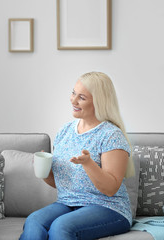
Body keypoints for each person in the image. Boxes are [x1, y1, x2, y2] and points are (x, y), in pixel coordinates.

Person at [20, 72, 135, 240]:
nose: (73, 100)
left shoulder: (111, 135)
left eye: (81, 97)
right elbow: (62, 184)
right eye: (73, 93)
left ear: (98, 102)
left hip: (109, 207)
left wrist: (88, 164)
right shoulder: (65, 131)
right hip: (67, 203)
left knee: (61, 227)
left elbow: (110, 188)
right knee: (34, 221)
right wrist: (44, 171)